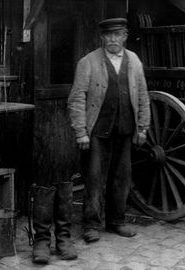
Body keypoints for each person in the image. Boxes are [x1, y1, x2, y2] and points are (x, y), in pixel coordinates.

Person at [67, 17, 151, 243]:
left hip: (124, 130)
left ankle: (117, 221)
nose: (113, 39)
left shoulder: (134, 61)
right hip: (97, 131)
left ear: (125, 36)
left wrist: (142, 127)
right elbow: (76, 98)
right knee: (94, 178)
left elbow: (143, 96)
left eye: (118, 34)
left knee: (121, 178)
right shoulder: (88, 62)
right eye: (108, 35)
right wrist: (81, 132)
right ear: (102, 37)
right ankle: (91, 224)